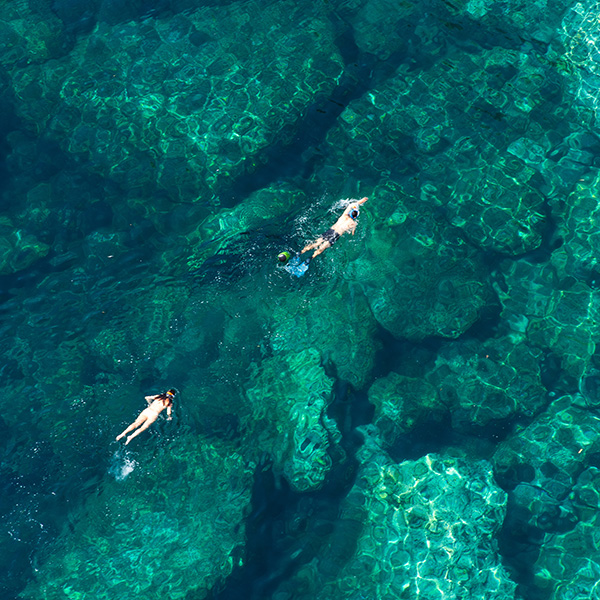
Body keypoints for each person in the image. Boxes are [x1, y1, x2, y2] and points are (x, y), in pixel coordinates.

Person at [301, 197, 368, 260]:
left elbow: (351, 205)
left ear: (350, 213)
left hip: (331, 230)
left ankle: (301, 252)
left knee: (316, 243)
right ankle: (311, 258)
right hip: (336, 235)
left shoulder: (344, 215)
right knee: (322, 248)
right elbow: (352, 233)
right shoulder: (353, 224)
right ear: (355, 217)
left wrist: (360, 201)